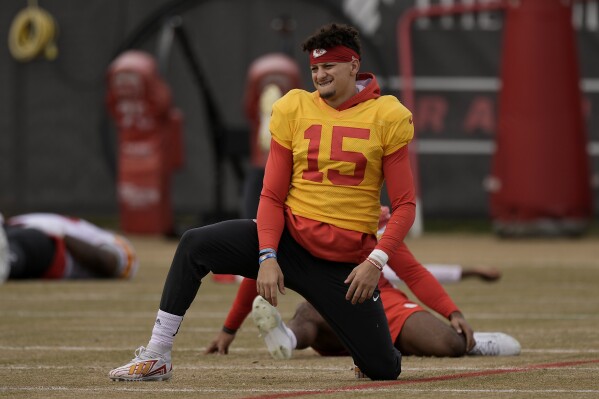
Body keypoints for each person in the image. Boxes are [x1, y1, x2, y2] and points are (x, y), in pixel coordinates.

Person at [108, 22, 415, 381]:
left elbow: (406, 205)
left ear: (353, 65)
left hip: (344, 264)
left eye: (328, 66)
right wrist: (267, 254)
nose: (319, 75)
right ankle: (157, 353)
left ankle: (335, 334)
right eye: (314, 68)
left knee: (384, 369)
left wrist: (376, 262)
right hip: (291, 241)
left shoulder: (387, 115)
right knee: (195, 244)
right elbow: (270, 194)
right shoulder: (294, 108)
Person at [0, 213, 138, 283]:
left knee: (13, 254)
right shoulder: (90, 231)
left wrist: (62, 235)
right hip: (14, 228)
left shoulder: (118, 249)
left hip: (48, 246)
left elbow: (107, 262)